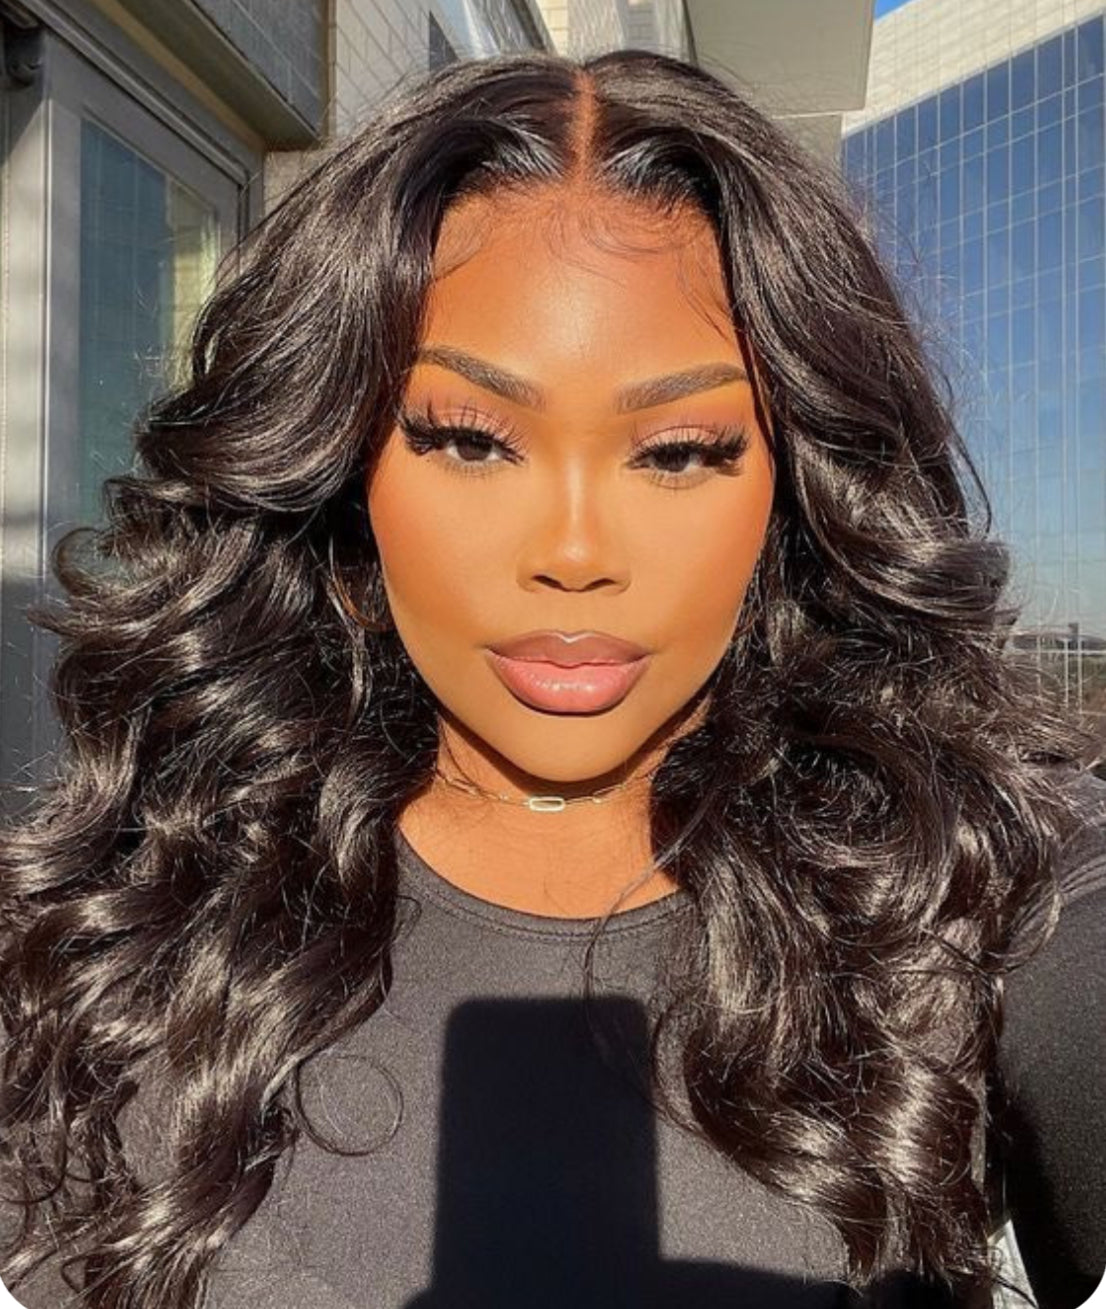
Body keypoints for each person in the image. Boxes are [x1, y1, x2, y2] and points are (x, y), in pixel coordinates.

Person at [1, 46, 1104, 1309]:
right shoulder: (113, 914)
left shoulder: (986, 880)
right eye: (470, 440)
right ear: (343, 464)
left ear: (794, 485)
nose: (573, 554)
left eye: (677, 451)